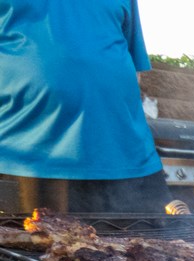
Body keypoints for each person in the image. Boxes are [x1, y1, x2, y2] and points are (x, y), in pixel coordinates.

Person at [0, 0, 173, 214]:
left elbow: (133, 66)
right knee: (34, 244)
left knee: (145, 246)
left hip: (125, 158)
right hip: (23, 158)